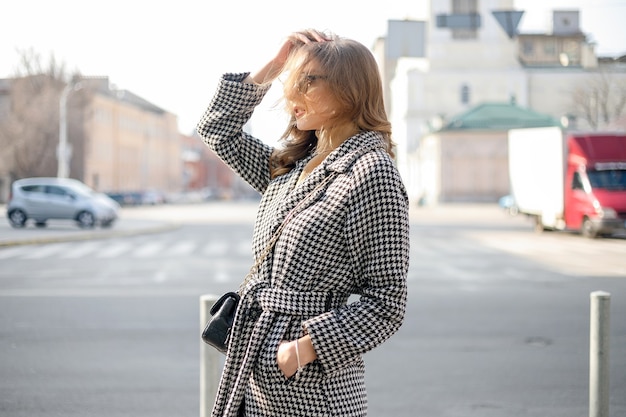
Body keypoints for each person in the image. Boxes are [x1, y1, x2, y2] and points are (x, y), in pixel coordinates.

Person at [196, 29, 410, 417]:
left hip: (310, 387)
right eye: (292, 81)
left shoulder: (371, 173)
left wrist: (303, 349)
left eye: (308, 82)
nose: (292, 96)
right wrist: (275, 63)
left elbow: (387, 303)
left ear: (349, 88)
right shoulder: (289, 168)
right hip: (253, 371)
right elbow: (216, 129)